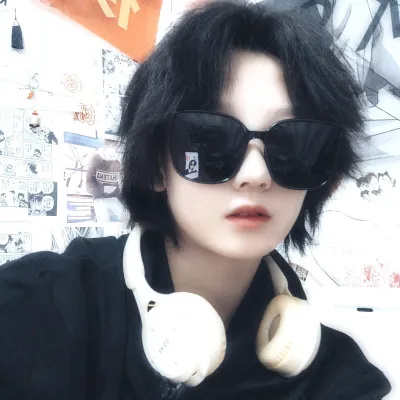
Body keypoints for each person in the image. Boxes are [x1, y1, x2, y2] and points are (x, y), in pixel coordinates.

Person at [0, 1, 391, 399]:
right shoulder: (39, 309)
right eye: (209, 138)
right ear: (156, 166)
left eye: (293, 144)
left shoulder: (337, 378)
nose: (255, 175)